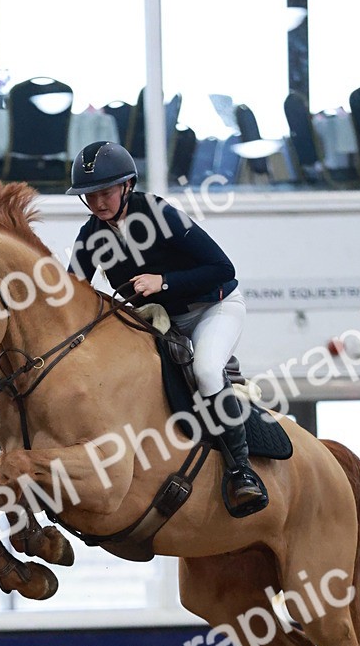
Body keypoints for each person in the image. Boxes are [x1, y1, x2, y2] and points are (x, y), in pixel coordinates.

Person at [67, 140, 266, 516]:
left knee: (206, 369)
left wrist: (163, 282)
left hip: (212, 309)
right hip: (163, 322)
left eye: (105, 193)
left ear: (127, 186)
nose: (97, 204)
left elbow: (224, 269)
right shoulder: (91, 235)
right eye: (89, 196)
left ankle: (242, 472)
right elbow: (72, 292)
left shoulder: (160, 213)